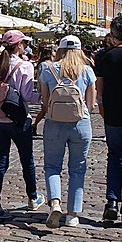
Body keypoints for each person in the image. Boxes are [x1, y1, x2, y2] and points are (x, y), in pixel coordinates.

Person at [0, 30, 45, 221]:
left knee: (0, 163)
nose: (25, 46)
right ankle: (33, 198)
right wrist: (42, 96)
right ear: (19, 45)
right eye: (24, 43)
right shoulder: (24, 66)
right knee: (27, 160)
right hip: (18, 120)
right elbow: (27, 96)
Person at [38, 35, 95, 228]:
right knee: (78, 168)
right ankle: (73, 214)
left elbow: (45, 103)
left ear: (60, 50)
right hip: (81, 124)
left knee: (53, 166)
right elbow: (91, 105)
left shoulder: (48, 69)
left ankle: (55, 202)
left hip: (54, 123)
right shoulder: (87, 71)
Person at [95, 14, 122, 228]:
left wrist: (102, 109)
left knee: (115, 158)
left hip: (113, 115)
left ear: (113, 34)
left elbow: (99, 90)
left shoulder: (104, 57)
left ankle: (111, 203)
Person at [32, 45, 56, 135]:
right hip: (47, 90)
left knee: (46, 110)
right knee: (46, 110)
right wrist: (40, 92)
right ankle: (35, 125)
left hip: (51, 89)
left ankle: (35, 125)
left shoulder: (51, 63)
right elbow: (40, 79)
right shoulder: (44, 64)